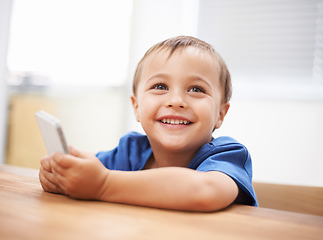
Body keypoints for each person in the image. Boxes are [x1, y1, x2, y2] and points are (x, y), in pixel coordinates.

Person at [39, 36, 258, 212]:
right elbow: (89, 173)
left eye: (196, 89)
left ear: (220, 113)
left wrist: (103, 185)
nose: (176, 101)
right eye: (160, 86)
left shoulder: (228, 155)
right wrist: (63, 175)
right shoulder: (129, 153)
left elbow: (205, 192)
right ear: (136, 106)